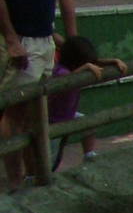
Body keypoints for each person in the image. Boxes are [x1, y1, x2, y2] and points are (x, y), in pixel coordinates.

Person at [0, 0, 58, 188]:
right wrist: (11, 40)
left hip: (42, 37)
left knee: (36, 109)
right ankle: (15, 180)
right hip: (21, 39)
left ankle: (39, 173)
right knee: (15, 109)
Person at [49, 34, 127, 167]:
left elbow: (95, 61)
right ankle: (36, 178)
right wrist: (85, 68)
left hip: (69, 115)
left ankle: (89, 155)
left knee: (89, 125)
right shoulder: (60, 71)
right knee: (51, 158)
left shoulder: (76, 66)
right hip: (52, 121)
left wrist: (113, 61)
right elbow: (66, 82)